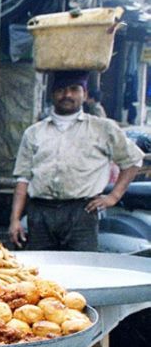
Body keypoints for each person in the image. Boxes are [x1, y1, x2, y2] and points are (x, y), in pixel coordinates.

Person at [9, 70, 144, 251]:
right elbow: (23, 179)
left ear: (85, 94)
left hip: (82, 212)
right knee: (40, 271)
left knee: (82, 271)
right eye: (61, 90)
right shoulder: (34, 132)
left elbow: (133, 160)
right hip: (40, 213)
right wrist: (15, 220)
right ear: (52, 94)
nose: (67, 95)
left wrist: (114, 196)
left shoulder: (102, 128)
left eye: (74, 89)